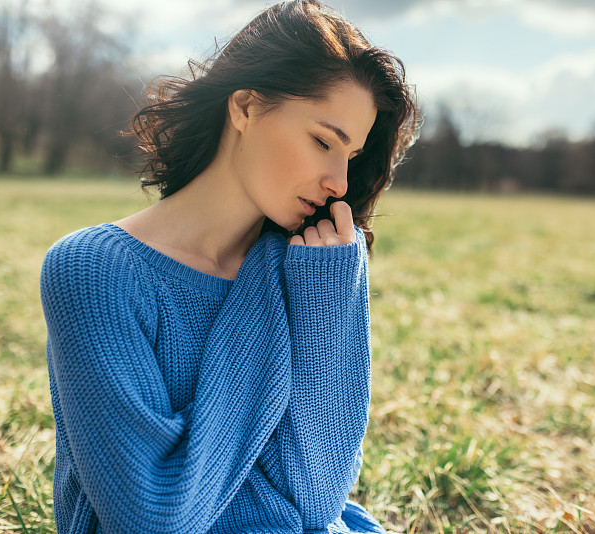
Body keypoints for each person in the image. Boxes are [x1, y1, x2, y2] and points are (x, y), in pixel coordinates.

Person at [39, 0, 418, 532]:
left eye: (350, 157)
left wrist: (329, 302)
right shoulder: (95, 272)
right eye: (322, 141)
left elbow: (317, 499)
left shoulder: (311, 272)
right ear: (244, 107)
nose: (340, 183)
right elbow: (153, 517)